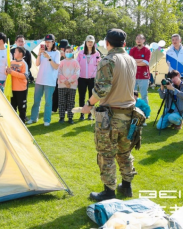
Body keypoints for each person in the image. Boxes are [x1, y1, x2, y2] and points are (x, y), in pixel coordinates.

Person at [81, 29, 138, 201]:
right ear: (125, 44)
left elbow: (101, 90)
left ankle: (109, 191)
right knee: (124, 152)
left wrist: (89, 104)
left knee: (106, 154)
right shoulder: (131, 60)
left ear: (107, 43)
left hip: (111, 116)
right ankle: (126, 186)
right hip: (129, 114)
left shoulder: (108, 60)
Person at [27, 34, 60, 127]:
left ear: (53, 42)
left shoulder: (56, 53)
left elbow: (56, 66)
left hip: (50, 81)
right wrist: (39, 54)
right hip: (40, 80)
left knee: (48, 102)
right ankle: (33, 118)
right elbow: (37, 64)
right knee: (36, 100)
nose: (47, 43)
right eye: (46, 42)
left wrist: (49, 57)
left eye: (49, 42)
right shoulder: (42, 52)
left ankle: (47, 120)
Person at [77, 35, 101, 120]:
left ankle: (90, 114)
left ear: (94, 43)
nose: (90, 43)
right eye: (88, 42)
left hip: (92, 78)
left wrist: (99, 64)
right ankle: (82, 114)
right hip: (82, 78)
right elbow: (77, 65)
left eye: (91, 42)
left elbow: (99, 65)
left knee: (91, 96)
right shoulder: (81, 53)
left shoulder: (97, 53)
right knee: (81, 96)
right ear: (86, 42)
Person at [58, 46, 80, 124]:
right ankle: (61, 117)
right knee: (61, 102)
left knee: (71, 102)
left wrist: (69, 81)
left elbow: (77, 73)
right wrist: (65, 81)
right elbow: (59, 72)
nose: (68, 53)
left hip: (72, 85)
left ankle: (70, 118)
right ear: (64, 53)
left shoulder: (75, 62)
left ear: (72, 53)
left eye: (70, 52)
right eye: (67, 52)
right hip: (62, 85)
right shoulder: (61, 62)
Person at [7, 46, 29, 123]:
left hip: (21, 89)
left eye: (15, 52)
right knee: (12, 107)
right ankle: (14, 122)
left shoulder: (24, 63)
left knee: (21, 107)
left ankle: (22, 122)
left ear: (20, 54)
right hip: (12, 89)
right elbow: (7, 74)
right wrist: (6, 71)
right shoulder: (11, 62)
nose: (14, 53)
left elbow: (24, 76)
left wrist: (12, 72)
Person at [129, 34, 151, 105]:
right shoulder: (132, 50)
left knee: (144, 95)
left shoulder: (147, 50)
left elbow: (146, 62)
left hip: (144, 76)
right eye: (137, 38)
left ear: (143, 40)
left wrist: (134, 61)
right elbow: (130, 62)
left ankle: (145, 113)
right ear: (135, 41)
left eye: (140, 38)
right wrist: (140, 60)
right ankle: (132, 111)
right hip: (133, 76)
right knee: (132, 95)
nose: (139, 40)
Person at [53, 39, 69, 114]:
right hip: (57, 75)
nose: (62, 49)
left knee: (65, 93)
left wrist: (65, 56)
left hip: (66, 76)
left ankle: (65, 108)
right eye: (61, 47)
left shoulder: (70, 53)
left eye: (64, 47)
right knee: (55, 92)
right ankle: (54, 108)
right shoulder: (57, 53)